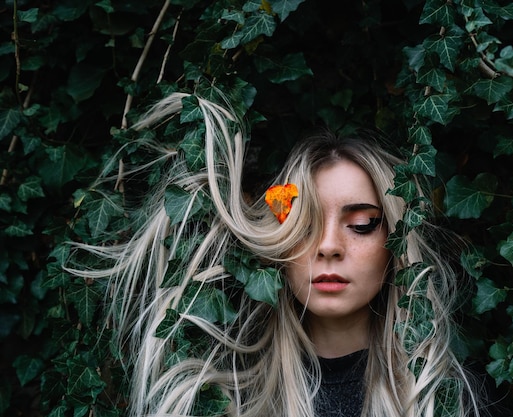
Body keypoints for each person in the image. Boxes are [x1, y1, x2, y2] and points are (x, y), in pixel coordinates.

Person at [67, 92, 482, 417]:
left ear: (395, 244)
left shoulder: (442, 398)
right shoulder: (221, 399)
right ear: (278, 243)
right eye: (304, 226)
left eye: (360, 224)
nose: (328, 246)